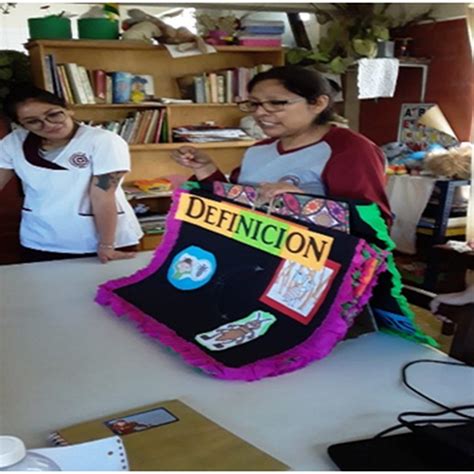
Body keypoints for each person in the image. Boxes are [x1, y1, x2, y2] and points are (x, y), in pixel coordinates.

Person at [171, 65, 391, 223]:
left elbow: (374, 223)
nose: (260, 113)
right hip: (257, 260)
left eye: (276, 103)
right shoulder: (259, 149)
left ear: (317, 103)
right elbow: (234, 204)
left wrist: (305, 203)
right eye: (254, 104)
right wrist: (205, 169)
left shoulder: (349, 149)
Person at [0, 86, 143, 263]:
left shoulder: (104, 141)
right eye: (33, 121)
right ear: (21, 125)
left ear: (68, 109)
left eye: (53, 114)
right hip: (40, 239)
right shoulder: (13, 142)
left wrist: (106, 244)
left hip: (100, 239)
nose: (48, 125)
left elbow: (103, 194)